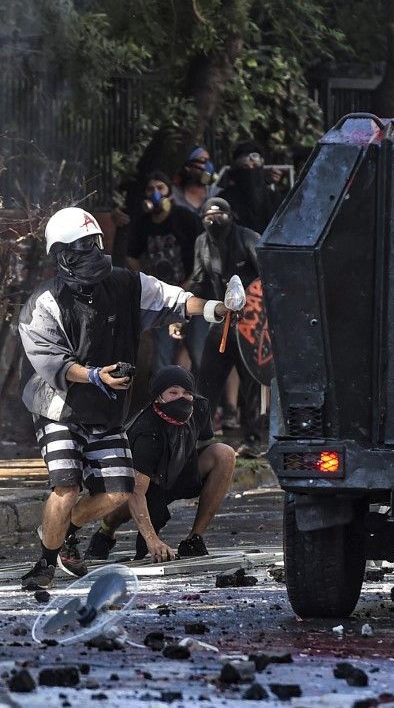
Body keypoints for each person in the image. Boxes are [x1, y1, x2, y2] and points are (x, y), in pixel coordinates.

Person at [18, 207, 243, 589]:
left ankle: (64, 528)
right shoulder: (44, 304)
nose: (91, 252)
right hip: (59, 407)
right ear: (62, 255)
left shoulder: (126, 284)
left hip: (106, 412)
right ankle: (45, 563)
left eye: (94, 243)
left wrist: (214, 309)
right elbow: (52, 361)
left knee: (118, 492)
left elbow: (174, 299)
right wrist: (94, 375)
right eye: (81, 247)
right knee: (67, 486)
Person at [83, 366, 236, 562]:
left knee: (224, 454)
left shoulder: (199, 407)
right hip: (148, 482)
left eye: (187, 393)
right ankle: (105, 533)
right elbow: (135, 491)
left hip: (180, 470)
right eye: (173, 392)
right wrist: (152, 540)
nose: (181, 398)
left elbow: (202, 440)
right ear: (158, 397)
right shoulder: (147, 430)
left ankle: (194, 539)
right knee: (122, 500)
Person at [187, 197, 265, 457]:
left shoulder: (248, 238)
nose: (213, 220)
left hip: (251, 323)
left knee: (250, 383)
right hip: (222, 320)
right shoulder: (201, 242)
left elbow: (269, 276)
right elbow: (198, 281)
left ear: (231, 216)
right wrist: (181, 310)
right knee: (206, 380)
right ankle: (200, 439)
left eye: (219, 214)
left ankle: (253, 439)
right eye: (207, 215)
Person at [125, 171, 204, 370]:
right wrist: (148, 283)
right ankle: (164, 398)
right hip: (164, 300)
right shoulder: (142, 224)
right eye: (150, 189)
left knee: (200, 352)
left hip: (194, 294)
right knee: (162, 356)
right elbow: (131, 257)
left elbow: (204, 251)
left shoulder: (185, 218)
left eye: (160, 188)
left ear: (169, 192)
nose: (155, 193)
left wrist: (190, 283)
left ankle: (206, 399)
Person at [218, 141, 284, 235]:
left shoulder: (274, 199)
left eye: (255, 166)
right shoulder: (225, 200)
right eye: (245, 167)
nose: (251, 171)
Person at [172, 146, 216, 216]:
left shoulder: (216, 194)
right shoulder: (172, 196)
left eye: (208, 160)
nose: (208, 166)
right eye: (202, 159)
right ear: (187, 166)